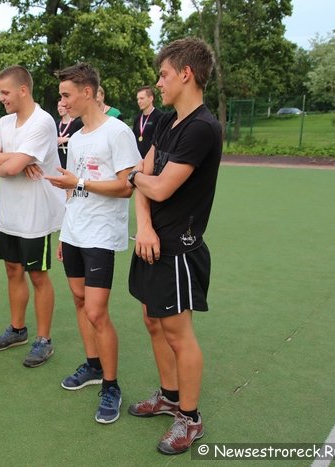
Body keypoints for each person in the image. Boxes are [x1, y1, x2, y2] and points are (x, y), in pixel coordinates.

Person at [126, 38, 222, 454]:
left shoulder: (203, 128)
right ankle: (169, 395)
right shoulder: (165, 122)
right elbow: (143, 178)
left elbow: (157, 185)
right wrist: (143, 226)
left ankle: (191, 418)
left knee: (178, 333)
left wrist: (136, 180)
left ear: (186, 74)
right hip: (151, 242)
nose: (158, 82)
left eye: (164, 74)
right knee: (152, 320)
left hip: (179, 249)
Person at [44, 63, 140, 424]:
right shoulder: (79, 136)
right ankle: (94, 366)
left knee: (97, 311)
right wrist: (64, 231)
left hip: (101, 234)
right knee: (81, 301)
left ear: (88, 92)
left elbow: (126, 186)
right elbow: (75, 189)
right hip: (75, 232)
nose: (63, 102)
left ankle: (111, 386)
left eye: (67, 95)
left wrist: (78, 183)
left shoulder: (118, 132)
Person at [0, 65, 65, 368]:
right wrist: (12, 158)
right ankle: (18, 329)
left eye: (5, 92)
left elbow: (7, 169)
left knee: (37, 275)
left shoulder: (42, 122)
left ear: (23, 90)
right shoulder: (3, 123)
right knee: (13, 269)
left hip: (35, 215)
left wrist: (5, 162)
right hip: (9, 214)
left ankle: (44, 340)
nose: (1, 98)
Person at [132, 85, 163, 158]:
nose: (139, 101)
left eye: (142, 98)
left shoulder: (160, 117)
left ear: (151, 98)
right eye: (138, 99)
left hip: (153, 161)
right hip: (138, 161)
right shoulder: (137, 118)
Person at [55, 101, 83, 169]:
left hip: (72, 156)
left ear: (68, 107)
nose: (59, 108)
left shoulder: (78, 123)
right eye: (58, 106)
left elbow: (83, 139)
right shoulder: (57, 123)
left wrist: (67, 139)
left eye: (62, 106)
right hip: (59, 156)